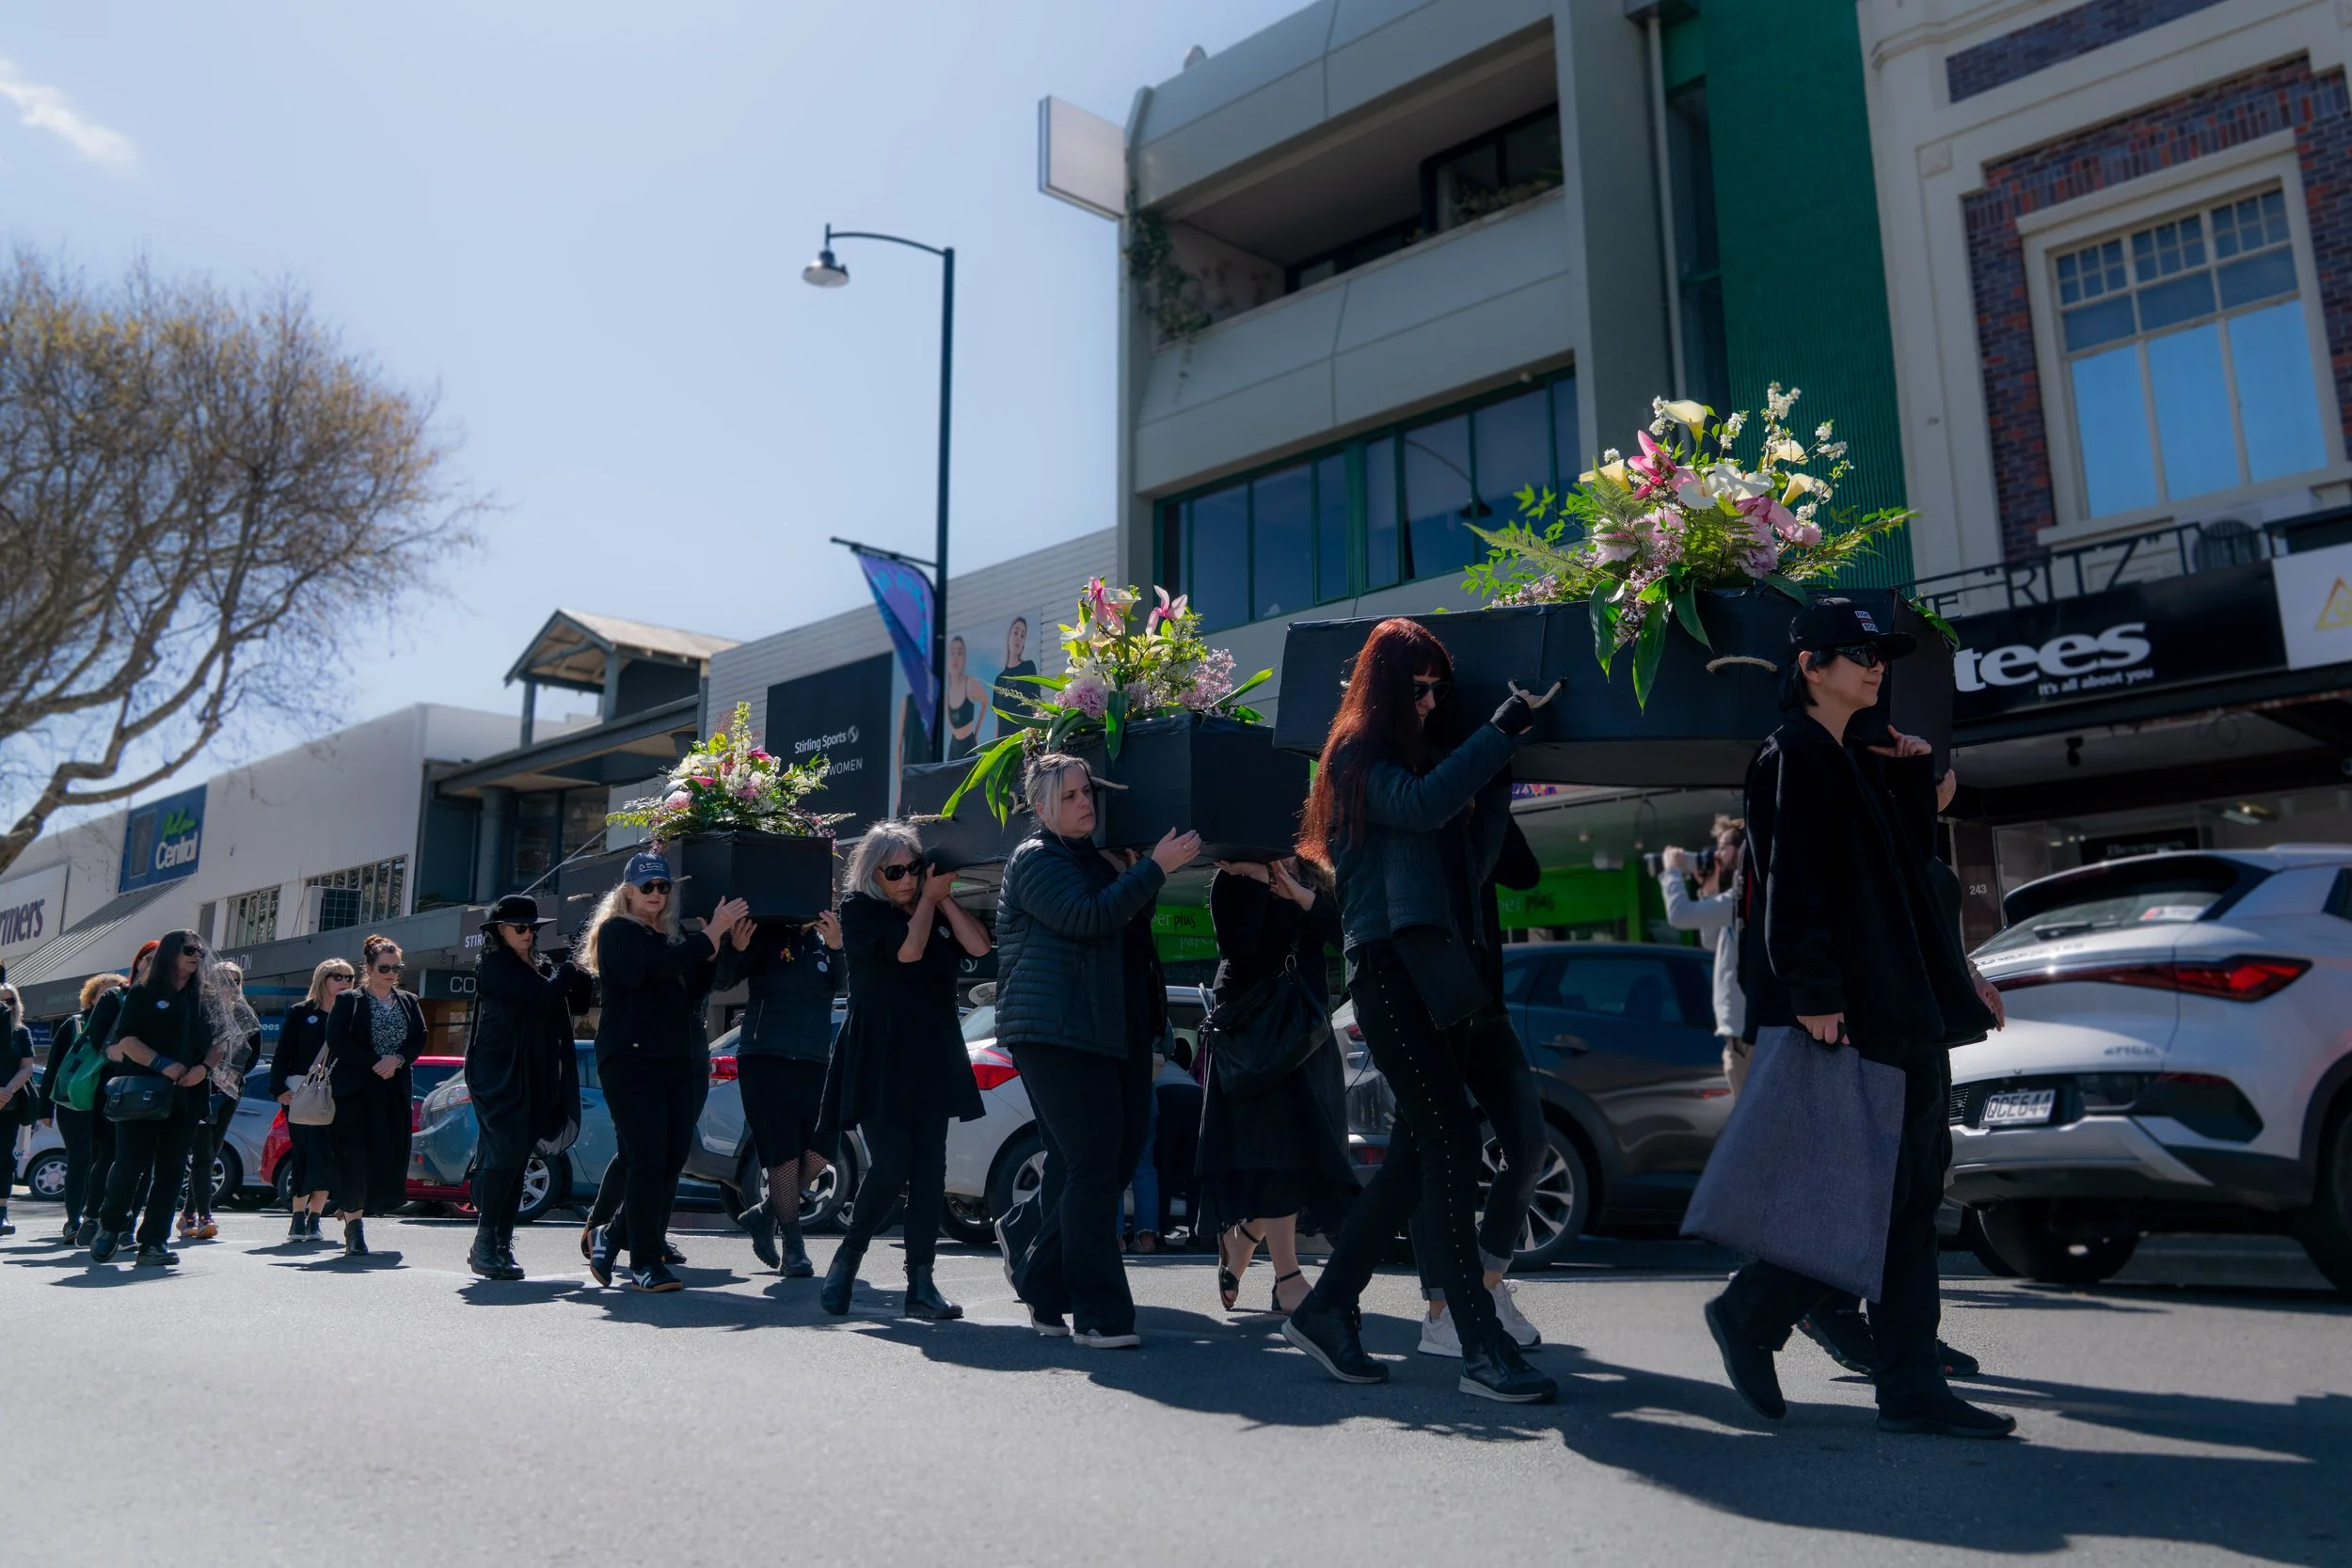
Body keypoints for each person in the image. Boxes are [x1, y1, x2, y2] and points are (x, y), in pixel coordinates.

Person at [1703, 597, 2012, 1440]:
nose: (1875, 665)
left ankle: (1907, 1383)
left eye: (1881, 652)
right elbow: (1790, 882)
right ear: (1810, 664)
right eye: (1855, 652)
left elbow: (1909, 879)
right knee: (1878, 1196)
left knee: (1910, 1196)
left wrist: (1911, 776)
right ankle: (1755, 1312)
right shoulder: (1793, 753)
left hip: (1905, 1005)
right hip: (1861, 1011)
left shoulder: (1852, 757)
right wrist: (1812, 992)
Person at [1279, 617, 1560, 1403]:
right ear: (1386, 686)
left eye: (1442, 686)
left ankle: (1328, 1307)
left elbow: (1479, 862)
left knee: (1411, 1163)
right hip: (1392, 974)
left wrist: (1493, 770)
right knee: (1453, 1140)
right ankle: (1477, 1340)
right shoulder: (1356, 754)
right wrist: (1503, 729)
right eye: (1421, 685)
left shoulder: (1414, 757)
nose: (1434, 699)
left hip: (1436, 977)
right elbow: (1429, 802)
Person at [993, 752, 1200, 1348]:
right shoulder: (1036, 859)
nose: (1086, 803)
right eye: (1071, 797)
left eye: (1088, 792)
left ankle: (1040, 1278)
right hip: (1056, 1032)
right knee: (1091, 1164)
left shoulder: (1097, 858)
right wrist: (1152, 870)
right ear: (1040, 809)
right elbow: (1087, 919)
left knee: (1103, 1163)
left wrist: (1136, 870)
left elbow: (1125, 927)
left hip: (1115, 1030)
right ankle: (1099, 1312)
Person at [819, 824, 991, 1318]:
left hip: (932, 1051)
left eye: (915, 869)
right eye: (896, 871)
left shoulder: (931, 906)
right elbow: (908, 952)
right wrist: (927, 903)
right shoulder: (859, 911)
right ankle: (847, 1259)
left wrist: (944, 899)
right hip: (880, 1053)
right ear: (873, 873)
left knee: (929, 1172)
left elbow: (979, 947)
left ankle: (921, 1281)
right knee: (892, 1165)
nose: (908, 879)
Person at [1408, 817, 1548, 1359]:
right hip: (1430, 1003)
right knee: (1436, 1154)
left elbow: (1525, 872)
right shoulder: (1415, 797)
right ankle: (1441, 1313)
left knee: (1529, 1141)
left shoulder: (1477, 810)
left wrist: (1487, 808)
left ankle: (1486, 1289)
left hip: (1488, 1006)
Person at [578, 852, 747, 1293]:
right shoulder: (617, 933)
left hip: (677, 1058)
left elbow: (695, 988)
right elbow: (653, 972)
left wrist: (724, 946)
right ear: (628, 892)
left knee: (671, 1159)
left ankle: (613, 1237)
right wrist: (712, 933)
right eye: (647, 887)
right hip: (632, 1059)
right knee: (649, 1155)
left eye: (663, 887)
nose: (656, 894)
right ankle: (645, 1262)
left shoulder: (671, 937)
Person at [1199, 855, 1357, 1317]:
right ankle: (1288, 1277)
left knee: (1307, 1154)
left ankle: (1244, 1238)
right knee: (1276, 1152)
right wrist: (1256, 879)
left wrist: (1297, 893)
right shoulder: (1230, 877)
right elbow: (1238, 946)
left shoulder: (1311, 874)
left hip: (1306, 1036)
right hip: (1254, 1038)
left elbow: (1345, 934)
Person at [466, 895, 593, 1281]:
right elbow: (542, 999)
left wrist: (582, 966)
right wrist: (568, 973)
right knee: (504, 1157)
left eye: (531, 928)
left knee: (519, 1160)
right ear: (499, 931)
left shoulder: (541, 965)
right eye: (519, 927)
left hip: (536, 1073)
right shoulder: (493, 966)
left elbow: (577, 1005)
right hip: (499, 1074)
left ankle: (502, 1244)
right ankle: (483, 1244)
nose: (527, 934)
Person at [717, 909, 845, 1277]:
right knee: (784, 1156)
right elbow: (723, 979)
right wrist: (737, 947)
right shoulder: (766, 933)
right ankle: (793, 1245)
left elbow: (845, 982)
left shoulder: (827, 939)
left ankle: (765, 1213)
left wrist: (836, 947)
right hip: (765, 1058)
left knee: (821, 1154)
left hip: (814, 1060)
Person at [91, 930, 217, 1267]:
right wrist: (164, 1065)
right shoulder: (143, 993)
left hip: (188, 1094)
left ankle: (153, 1243)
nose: (196, 956)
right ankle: (110, 1226)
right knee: (130, 1164)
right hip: (143, 1091)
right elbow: (126, 1041)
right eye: (189, 950)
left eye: (201, 952)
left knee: (172, 1170)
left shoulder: (205, 997)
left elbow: (221, 1043)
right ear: (170, 953)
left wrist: (203, 1069)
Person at [325, 934, 427, 1259]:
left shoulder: (408, 1001)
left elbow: (419, 1038)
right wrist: (375, 1061)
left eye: (397, 968)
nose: (392, 973)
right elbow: (338, 1043)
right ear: (368, 967)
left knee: (386, 1155)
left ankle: (360, 1206)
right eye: (385, 968)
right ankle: (354, 1229)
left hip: (393, 1091)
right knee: (353, 1156)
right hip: (356, 1090)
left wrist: (397, 1060)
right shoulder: (349, 1001)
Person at [69, 944, 152, 1249]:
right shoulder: (115, 997)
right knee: (110, 1156)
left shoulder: (170, 999)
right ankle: (93, 1218)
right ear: (137, 962)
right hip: (114, 1087)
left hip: (151, 1089)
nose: (154, 965)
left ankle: (128, 1225)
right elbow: (97, 1039)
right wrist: (120, 1052)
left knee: (145, 1162)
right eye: (149, 959)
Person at [1659, 819, 1747, 1092]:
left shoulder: (1740, 897)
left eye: (1723, 848)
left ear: (1741, 849)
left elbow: (1679, 915)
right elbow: (1711, 941)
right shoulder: (1732, 899)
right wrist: (1709, 889)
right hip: (1739, 1039)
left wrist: (1672, 871)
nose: (1717, 855)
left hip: (1747, 1039)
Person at [178, 960, 262, 1243]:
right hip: (200, 1087)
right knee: (202, 1152)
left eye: (234, 981)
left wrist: (231, 1075)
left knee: (212, 1151)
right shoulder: (200, 1010)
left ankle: (189, 1213)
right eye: (222, 980)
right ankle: (204, 1214)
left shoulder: (244, 1013)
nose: (229, 986)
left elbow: (253, 1054)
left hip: (229, 1091)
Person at [271, 958, 353, 1243]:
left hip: (337, 1095)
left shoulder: (352, 1013)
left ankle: (315, 1218)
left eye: (349, 977)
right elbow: (283, 1053)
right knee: (304, 1156)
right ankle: (296, 1217)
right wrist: (278, 1088)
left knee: (328, 1158)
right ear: (323, 979)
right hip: (302, 1095)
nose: (344, 982)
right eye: (337, 976)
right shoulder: (300, 1013)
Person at [45, 972, 129, 1245]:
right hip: (75, 1102)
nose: (111, 996)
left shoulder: (126, 1024)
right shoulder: (74, 1024)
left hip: (107, 1101)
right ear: (92, 997)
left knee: (107, 1159)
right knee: (80, 1161)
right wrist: (44, 1107)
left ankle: (97, 1217)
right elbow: (56, 1067)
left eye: (115, 991)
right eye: (104, 992)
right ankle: (73, 1221)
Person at [0, 984, 31, 1237]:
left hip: (7, 1106)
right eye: (2, 1001)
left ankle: (1, 1213)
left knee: (4, 1159)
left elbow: (27, 1067)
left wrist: (6, 1091)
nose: (6, 1006)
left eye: (11, 1002)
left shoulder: (20, 1033)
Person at [943, 636, 990, 761]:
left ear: (964, 659)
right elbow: (950, 721)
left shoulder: (970, 684)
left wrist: (976, 732)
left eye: (959, 653)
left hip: (968, 745)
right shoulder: (947, 693)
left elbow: (985, 701)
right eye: (952, 653)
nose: (955, 657)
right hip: (954, 748)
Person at [992, 617, 1038, 742]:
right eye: (1016, 633)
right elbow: (998, 719)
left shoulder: (1028, 667)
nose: (1019, 637)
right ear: (1008, 637)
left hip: (1024, 742)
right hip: (1004, 743)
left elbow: (1036, 706)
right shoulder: (999, 679)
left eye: (1023, 635)